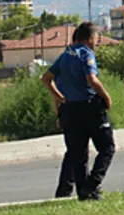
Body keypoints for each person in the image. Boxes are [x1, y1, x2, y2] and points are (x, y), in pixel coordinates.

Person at [41, 22, 116, 201]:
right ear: (90, 39)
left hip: (69, 109)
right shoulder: (85, 53)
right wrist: (105, 96)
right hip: (89, 107)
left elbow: (46, 79)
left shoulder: (65, 55)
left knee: (78, 153)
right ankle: (92, 184)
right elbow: (91, 79)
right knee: (107, 148)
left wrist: (59, 98)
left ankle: (84, 192)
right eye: (96, 40)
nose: (96, 43)